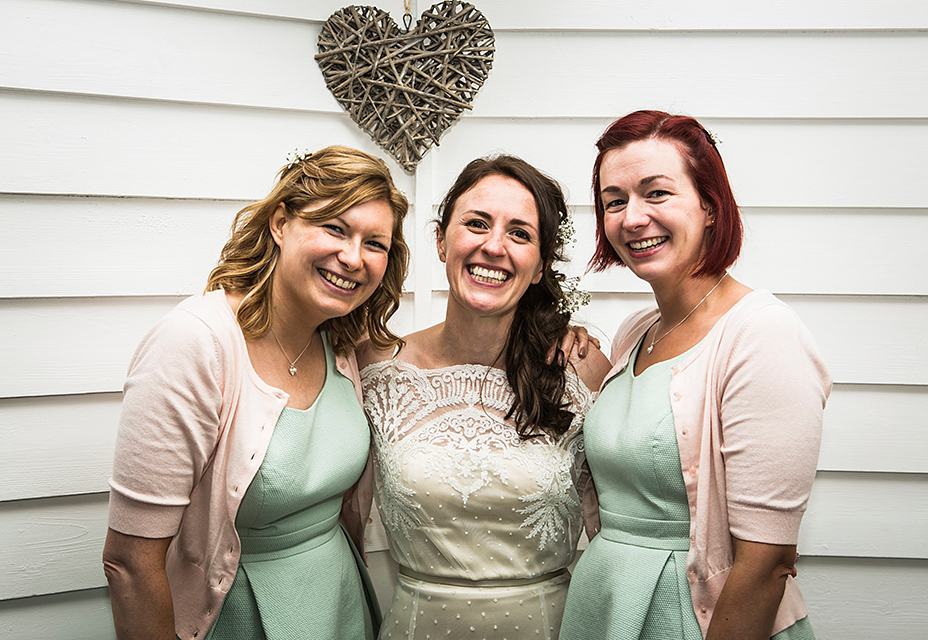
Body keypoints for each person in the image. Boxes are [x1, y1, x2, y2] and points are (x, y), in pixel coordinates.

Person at [101, 146, 410, 640]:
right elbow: (129, 564)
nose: (353, 258)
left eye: (375, 243)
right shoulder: (195, 344)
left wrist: (554, 337)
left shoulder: (342, 342)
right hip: (240, 615)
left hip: (340, 605)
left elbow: (446, 357)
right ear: (280, 223)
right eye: (334, 228)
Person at [560, 110, 831, 640]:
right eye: (615, 200)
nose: (632, 218)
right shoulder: (638, 332)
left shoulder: (761, 333)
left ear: (709, 206)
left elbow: (767, 561)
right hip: (608, 608)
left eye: (656, 193)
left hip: (693, 619)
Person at [358, 155, 610, 640]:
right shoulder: (374, 367)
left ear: (539, 267)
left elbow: (611, 526)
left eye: (520, 233)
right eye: (476, 224)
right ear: (440, 239)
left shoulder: (580, 369)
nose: (494, 247)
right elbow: (348, 516)